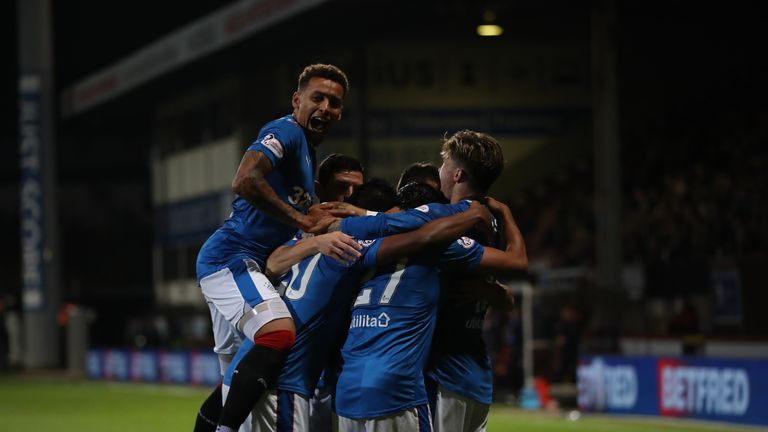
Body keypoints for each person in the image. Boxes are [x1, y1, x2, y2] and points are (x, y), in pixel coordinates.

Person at [224, 180, 491, 432]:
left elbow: (271, 264)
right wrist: (470, 211)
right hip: (285, 380)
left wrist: (315, 242)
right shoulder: (349, 246)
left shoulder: (308, 237)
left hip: (255, 368)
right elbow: (420, 237)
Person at [193, 63, 360, 432]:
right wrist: (301, 221)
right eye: (317, 97)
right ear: (297, 100)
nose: (326, 107)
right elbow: (245, 179)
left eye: (334, 102)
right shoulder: (285, 130)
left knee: (232, 384)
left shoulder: (306, 154)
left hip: (251, 265)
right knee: (278, 332)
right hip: (232, 259)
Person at [334, 183, 527, 431]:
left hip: (348, 386)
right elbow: (516, 263)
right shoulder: (439, 247)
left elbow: (506, 297)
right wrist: (482, 213)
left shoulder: (355, 248)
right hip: (404, 388)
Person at [427, 129, 525, 432]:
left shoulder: (450, 221)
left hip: (446, 372)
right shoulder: (494, 222)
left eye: (443, 164)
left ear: (457, 174)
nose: (439, 171)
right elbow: (505, 291)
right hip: (476, 374)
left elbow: (515, 268)